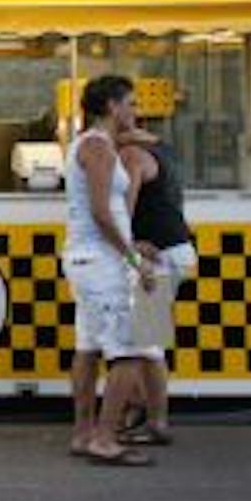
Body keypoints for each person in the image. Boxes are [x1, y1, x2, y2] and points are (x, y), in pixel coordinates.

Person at [62, 75, 157, 467]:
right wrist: (132, 258)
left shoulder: (90, 144)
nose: (135, 110)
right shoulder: (99, 148)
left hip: (87, 258)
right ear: (112, 105)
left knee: (87, 347)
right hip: (102, 262)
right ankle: (105, 437)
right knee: (128, 351)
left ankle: (84, 432)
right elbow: (102, 212)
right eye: (130, 103)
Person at [117, 128, 196, 447]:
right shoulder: (165, 151)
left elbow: (124, 210)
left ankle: (154, 421)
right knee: (140, 338)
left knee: (147, 341)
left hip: (160, 254)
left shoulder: (131, 155)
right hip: (175, 248)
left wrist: (129, 244)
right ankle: (138, 411)